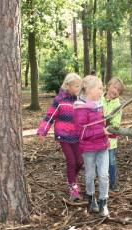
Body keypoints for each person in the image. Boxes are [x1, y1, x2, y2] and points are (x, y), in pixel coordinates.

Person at [37, 73, 83, 201]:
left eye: (80, 86)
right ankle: (73, 187)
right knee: (72, 161)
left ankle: (71, 177)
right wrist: (42, 131)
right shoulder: (59, 100)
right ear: (68, 86)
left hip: (77, 136)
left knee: (80, 161)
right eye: (76, 86)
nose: (78, 88)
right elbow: (50, 116)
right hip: (63, 136)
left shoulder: (80, 100)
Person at [74, 75, 110, 217]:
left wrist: (111, 132)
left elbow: (103, 125)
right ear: (89, 90)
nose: (102, 91)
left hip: (102, 146)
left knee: (104, 175)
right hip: (88, 149)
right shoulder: (80, 108)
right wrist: (101, 131)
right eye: (99, 88)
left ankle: (103, 202)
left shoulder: (99, 105)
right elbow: (82, 132)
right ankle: (91, 198)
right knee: (90, 175)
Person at [102, 77, 124, 192]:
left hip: (111, 141)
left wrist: (108, 125)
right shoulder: (99, 99)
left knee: (111, 161)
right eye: (114, 87)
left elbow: (116, 123)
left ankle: (114, 183)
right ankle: (102, 182)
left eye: (118, 90)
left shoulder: (117, 105)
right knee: (100, 161)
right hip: (97, 138)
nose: (115, 91)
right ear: (108, 85)